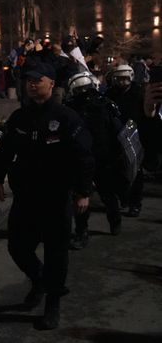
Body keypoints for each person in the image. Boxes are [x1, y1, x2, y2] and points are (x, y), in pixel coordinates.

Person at [0, 62, 94, 330]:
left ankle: (52, 302)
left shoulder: (66, 118)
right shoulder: (19, 118)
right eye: (29, 80)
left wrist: (83, 191)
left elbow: (84, 156)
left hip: (56, 196)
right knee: (18, 247)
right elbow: (4, 151)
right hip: (26, 196)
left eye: (38, 79)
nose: (32, 83)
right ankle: (40, 280)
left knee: (56, 252)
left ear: (51, 83)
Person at [65, 72, 125, 249]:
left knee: (83, 197)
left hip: (87, 159)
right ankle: (114, 221)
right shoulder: (105, 105)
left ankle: (83, 232)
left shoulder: (74, 108)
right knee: (105, 193)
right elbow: (118, 132)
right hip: (98, 158)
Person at [105, 64, 145, 216]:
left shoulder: (139, 93)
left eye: (124, 78)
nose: (122, 82)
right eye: (119, 78)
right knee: (117, 170)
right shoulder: (111, 94)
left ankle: (135, 203)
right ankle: (124, 199)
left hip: (134, 134)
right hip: (115, 135)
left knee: (136, 171)